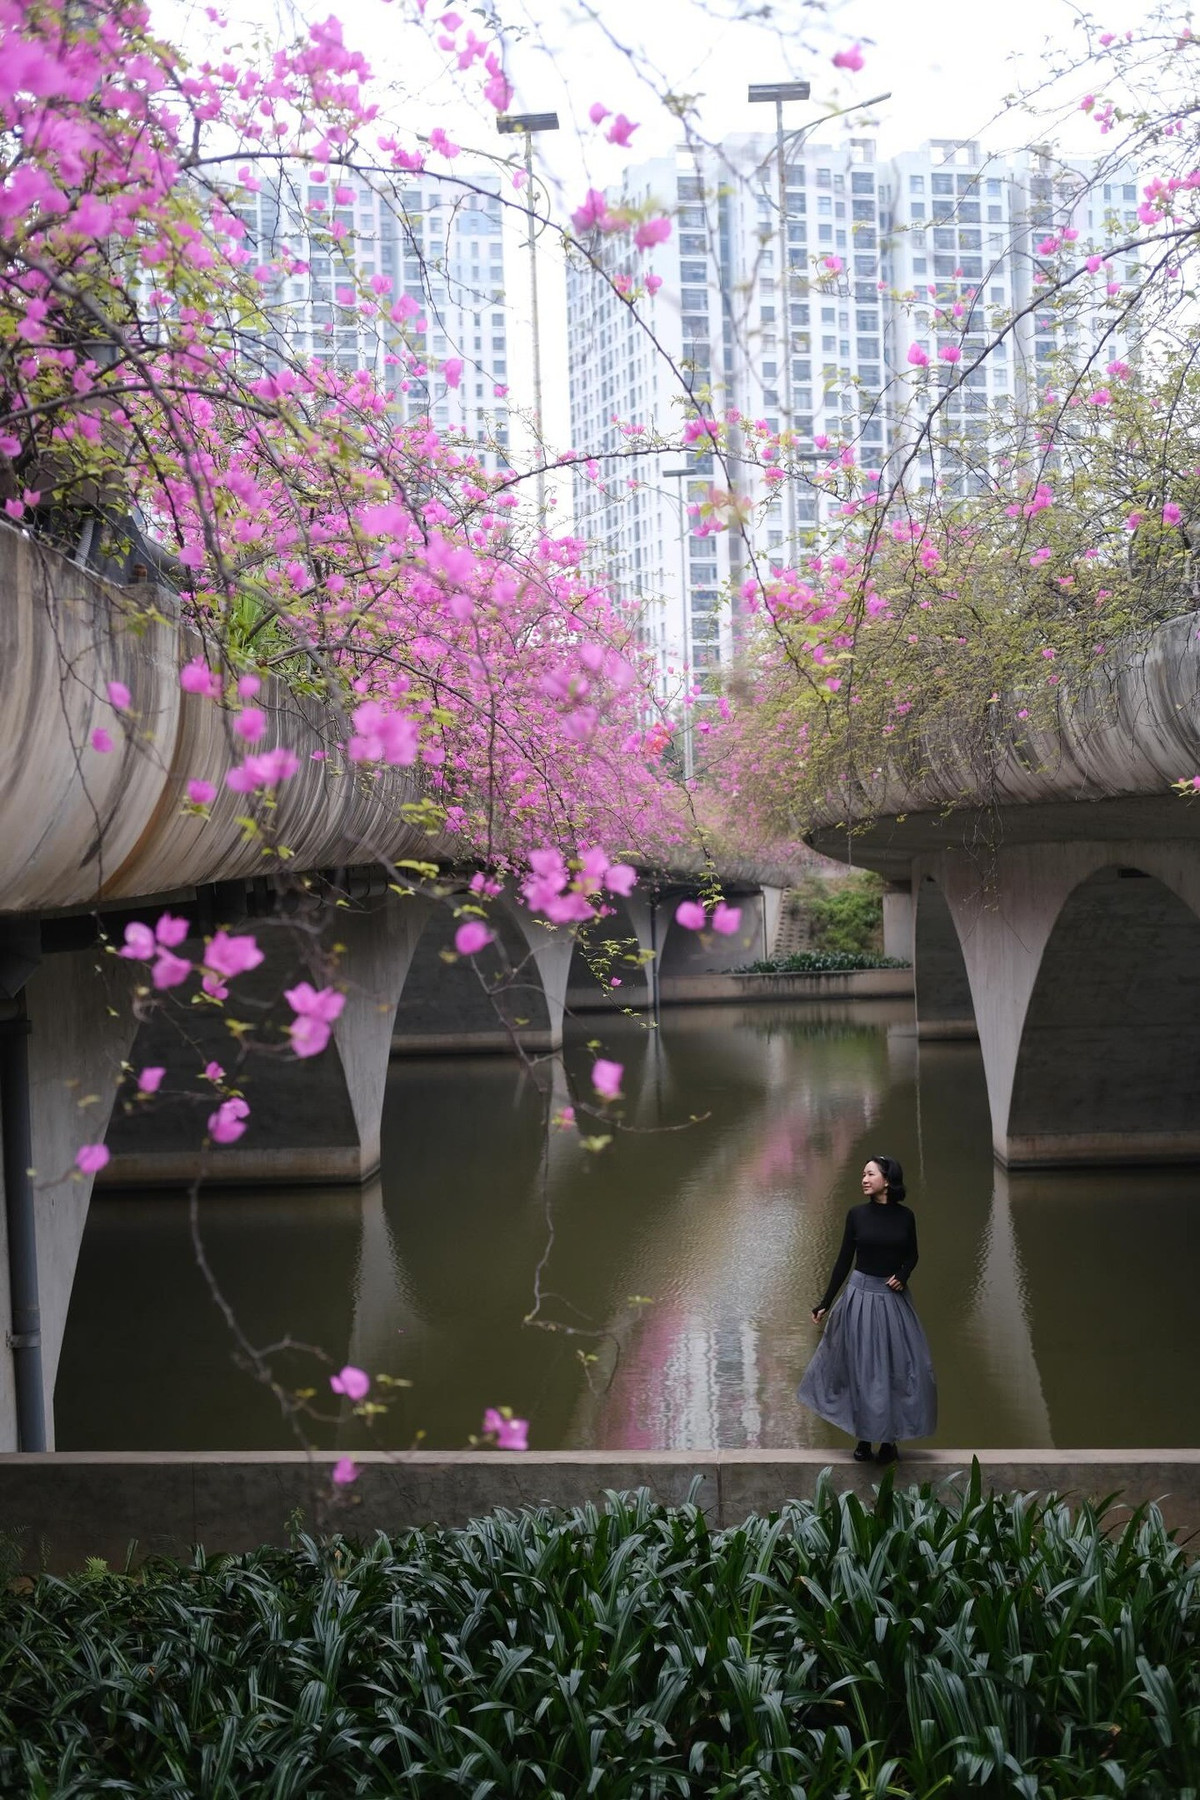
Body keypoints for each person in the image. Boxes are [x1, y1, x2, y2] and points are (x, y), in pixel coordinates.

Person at [797, 1155, 937, 1464]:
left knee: (899, 1368)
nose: (863, 1178)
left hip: (893, 1300)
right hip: (860, 1298)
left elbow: (913, 1255)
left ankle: (889, 1441)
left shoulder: (906, 1216)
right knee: (862, 1368)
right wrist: (825, 1302)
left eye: (869, 1174)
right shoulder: (856, 1215)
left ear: (887, 1180)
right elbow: (843, 1261)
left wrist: (903, 1275)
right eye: (863, 1174)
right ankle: (863, 1438)